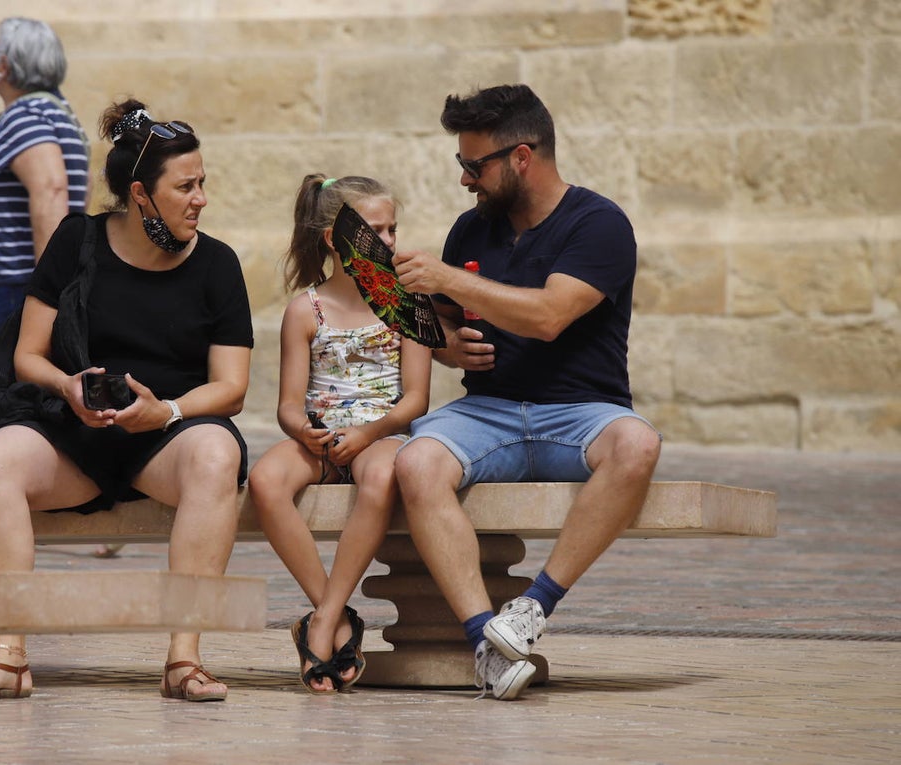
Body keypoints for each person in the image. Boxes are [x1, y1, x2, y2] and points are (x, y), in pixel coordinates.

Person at [0, 97, 253, 703]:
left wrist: (165, 411)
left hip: (167, 435)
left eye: (202, 183)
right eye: (185, 186)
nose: (201, 198)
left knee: (217, 454)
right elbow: (27, 357)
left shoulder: (217, 264)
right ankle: (9, 654)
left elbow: (231, 386)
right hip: (75, 429)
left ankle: (184, 659)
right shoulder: (76, 241)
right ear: (141, 195)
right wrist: (67, 385)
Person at [391, 84, 662, 700]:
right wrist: (446, 346)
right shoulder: (472, 230)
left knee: (638, 446)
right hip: (485, 413)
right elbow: (439, 322)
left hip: (581, 413)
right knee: (417, 461)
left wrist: (447, 277)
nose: (464, 180)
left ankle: (532, 608)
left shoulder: (599, 224)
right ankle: (486, 642)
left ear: (520, 156)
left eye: (473, 164)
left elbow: (548, 316)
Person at [248, 175, 431, 693]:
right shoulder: (306, 310)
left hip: (383, 434)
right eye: (376, 230)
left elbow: (416, 399)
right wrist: (302, 431)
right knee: (264, 480)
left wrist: (370, 432)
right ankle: (336, 615)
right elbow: (287, 403)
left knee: (380, 479)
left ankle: (323, 623)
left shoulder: (407, 301)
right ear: (334, 238)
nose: (390, 241)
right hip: (323, 439)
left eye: (392, 228)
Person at [0, 16, 90, 347]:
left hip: (15, 286)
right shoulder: (58, 113)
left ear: (4, 64)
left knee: (7, 389)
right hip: (15, 284)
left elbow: (51, 190)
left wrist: (46, 288)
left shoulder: (25, 115)